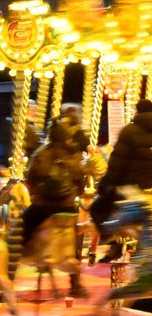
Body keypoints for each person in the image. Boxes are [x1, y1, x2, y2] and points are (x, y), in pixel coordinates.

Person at [90, 99, 152, 260]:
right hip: (151, 187)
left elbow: (117, 164)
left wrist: (103, 185)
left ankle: (112, 239)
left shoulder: (129, 131)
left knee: (97, 208)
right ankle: (121, 246)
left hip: (129, 188)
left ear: (137, 112)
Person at [21, 121, 89, 296]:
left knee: (20, 226)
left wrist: (39, 193)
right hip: (67, 207)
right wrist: (72, 195)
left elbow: (30, 179)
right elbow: (81, 183)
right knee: (76, 238)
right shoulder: (74, 156)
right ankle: (76, 284)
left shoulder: (41, 154)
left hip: (43, 208)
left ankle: (13, 268)